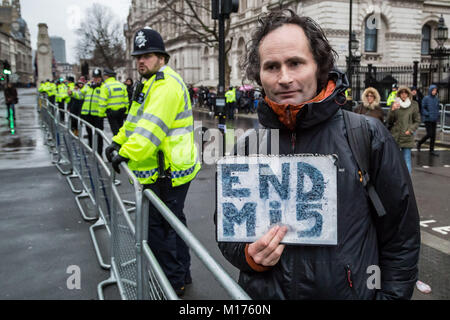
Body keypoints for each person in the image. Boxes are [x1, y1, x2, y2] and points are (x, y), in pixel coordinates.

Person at [217, 9, 420, 300]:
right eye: (272, 66)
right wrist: (248, 255)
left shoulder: (366, 135)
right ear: (259, 75)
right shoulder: (247, 147)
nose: (284, 78)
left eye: (296, 63)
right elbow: (227, 233)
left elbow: (401, 237)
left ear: (319, 66)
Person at [104, 27, 201, 297]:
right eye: (138, 56)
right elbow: (134, 122)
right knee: (171, 223)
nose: (140, 61)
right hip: (160, 170)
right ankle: (181, 274)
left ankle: (172, 283)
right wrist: (118, 141)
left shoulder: (166, 85)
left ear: (161, 56)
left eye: (147, 55)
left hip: (168, 170)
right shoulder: (147, 84)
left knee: (161, 228)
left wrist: (125, 153)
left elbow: (150, 132)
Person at [386, 87, 421, 174]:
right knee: (395, 160)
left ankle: (407, 181)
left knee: (407, 159)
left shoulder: (414, 104)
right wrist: (392, 110)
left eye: (405, 93)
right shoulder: (395, 103)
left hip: (407, 136)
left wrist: (410, 130)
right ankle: (396, 179)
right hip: (396, 136)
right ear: (399, 94)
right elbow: (389, 121)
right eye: (402, 93)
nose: (404, 95)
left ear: (408, 94)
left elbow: (417, 121)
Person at [78, 68, 105, 155]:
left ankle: (99, 152)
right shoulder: (88, 86)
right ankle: (91, 149)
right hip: (87, 114)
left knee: (98, 134)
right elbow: (80, 95)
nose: (96, 79)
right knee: (89, 133)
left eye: (97, 77)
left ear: (101, 78)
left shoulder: (103, 87)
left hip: (98, 115)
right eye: (94, 77)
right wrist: (72, 93)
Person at [99, 68, 129, 136]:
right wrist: (126, 111)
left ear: (106, 76)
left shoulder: (105, 86)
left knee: (115, 132)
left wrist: (101, 115)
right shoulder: (121, 85)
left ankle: (118, 145)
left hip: (111, 113)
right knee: (121, 131)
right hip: (121, 112)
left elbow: (102, 102)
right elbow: (126, 100)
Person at [416, 84, 440, 156]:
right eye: (433, 90)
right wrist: (427, 114)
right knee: (430, 134)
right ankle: (419, 143)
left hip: (434, 119)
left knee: (433, 136)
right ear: (430, 90)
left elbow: (437, 108)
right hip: (427, 119)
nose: (434, 92)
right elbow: (423, 108)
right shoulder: (426, 98)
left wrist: (437, 115)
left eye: (435, 90)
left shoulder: (436, 99)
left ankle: (431, 151)